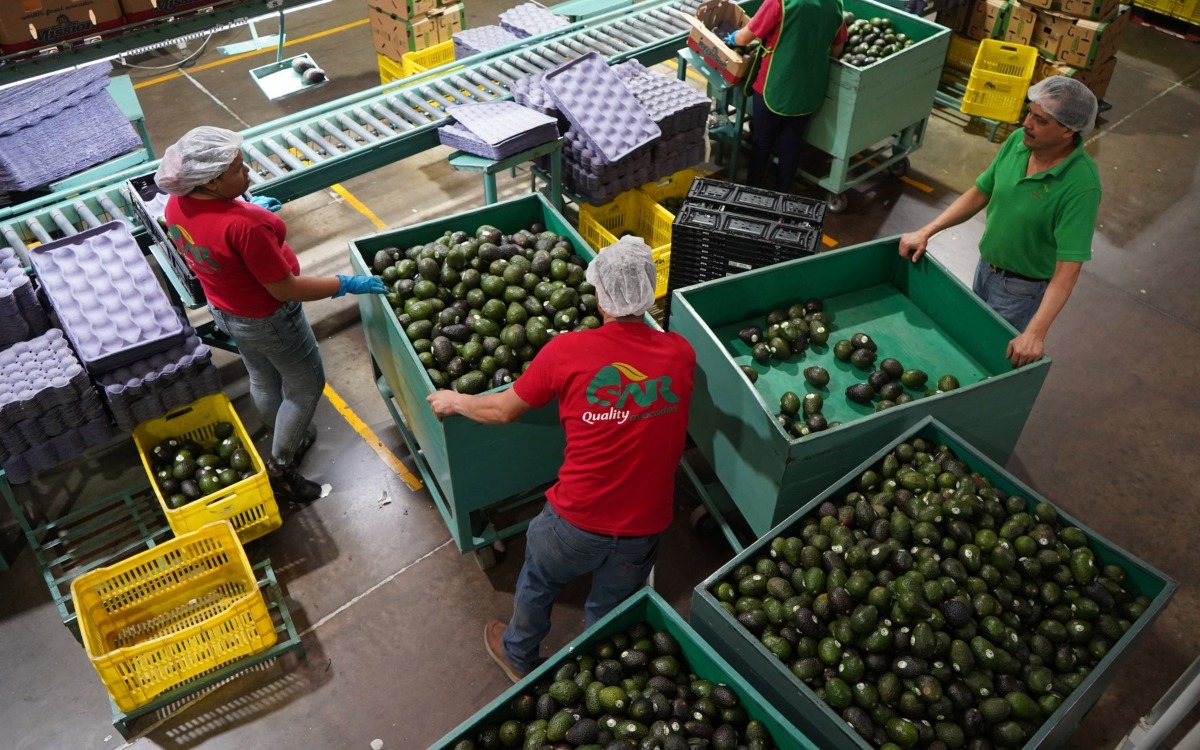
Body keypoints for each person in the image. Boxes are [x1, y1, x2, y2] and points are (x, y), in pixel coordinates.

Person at [426, 237, 696, 683]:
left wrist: (455, 401)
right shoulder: (681, 353)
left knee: (538, 582)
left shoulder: (565, 351)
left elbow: (501, 410)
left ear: (598, 295)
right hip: (643, 528)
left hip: (574, 522)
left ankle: (518, 654)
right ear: (649, 292)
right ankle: (592, 677)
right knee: (610, 612)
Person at [155, 126, 386, 503]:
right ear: (211, 183)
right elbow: (286, 288)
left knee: (262, 375)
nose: (248, 174)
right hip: (270, 318)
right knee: (306, 386)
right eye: (238, 170)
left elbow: (213, 235)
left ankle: (284, 430)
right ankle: (281, 468)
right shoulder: (244, 227)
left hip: (226, 310)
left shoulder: (176, 205)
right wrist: (345, 283)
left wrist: (245, 207)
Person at [899, 77, 1101, 368]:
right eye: (1029, 112)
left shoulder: (1081, 185)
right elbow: (981, 191)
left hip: (1021, 290)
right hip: (985, 267)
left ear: (1067, 131)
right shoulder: (1019, 143)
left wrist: (1036, 332)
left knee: (991, 356)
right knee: (970, 339)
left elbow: (1068, 269)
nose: (1026, 124)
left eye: (1040, 120)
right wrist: (927, 231)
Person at [724, 0, 846, 191]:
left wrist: (732, 38)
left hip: (775, 83)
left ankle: (753, 189)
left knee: (762, 142)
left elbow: (744, 39)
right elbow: (837, 47)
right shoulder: (835, 4)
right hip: (809, 87)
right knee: (792, 144)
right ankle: (783, 193)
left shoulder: (780, 2)